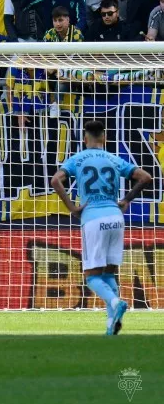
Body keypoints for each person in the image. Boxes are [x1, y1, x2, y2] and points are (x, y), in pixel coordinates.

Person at [50, 121, 152, 335]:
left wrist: (71, 207)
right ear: (104, 138)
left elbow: (55, 180)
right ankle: (110, 324)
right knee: (109, 273)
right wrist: (126, 200)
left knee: (91, 276)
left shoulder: (77, 159)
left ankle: (115, 302)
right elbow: (145, 177)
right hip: (116, 217)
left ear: (85, 139)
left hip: (93, 218)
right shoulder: (114, 159)